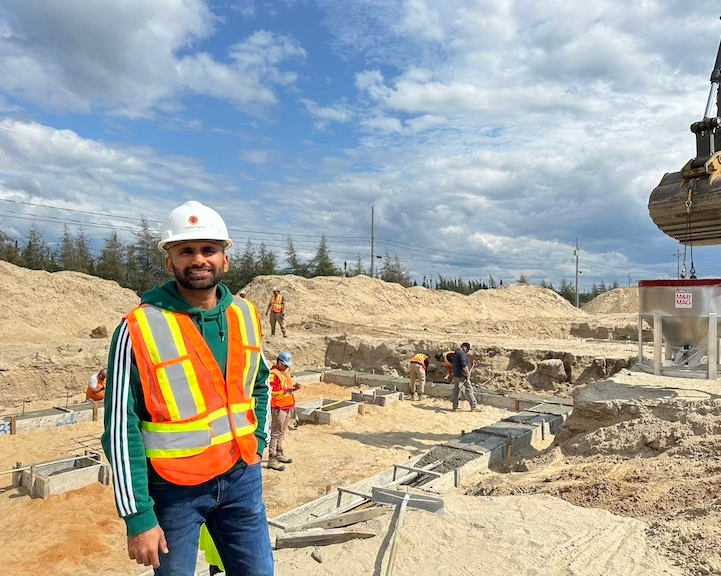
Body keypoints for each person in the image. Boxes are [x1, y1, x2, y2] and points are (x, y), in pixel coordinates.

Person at [101, 200, 274, 576]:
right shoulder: (137, 328)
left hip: (241, 479)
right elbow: (119, 428)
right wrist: (138, 516)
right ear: (170, 262)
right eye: (186, 251)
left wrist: (258, 441)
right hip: (173, 489)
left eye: (208, 249)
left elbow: (261, 383)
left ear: (225, 259)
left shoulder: (245, 314)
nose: (199, 259)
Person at [267, 351, 300, 471]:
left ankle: (279, 452)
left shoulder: (285, 372)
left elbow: (287, 387)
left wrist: (294, 387)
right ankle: (272, 458)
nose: (287, 367)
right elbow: (272, 392)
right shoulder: (273, 374)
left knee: (282, 432)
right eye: (285, 365)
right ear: (280, 362)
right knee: (276, 433)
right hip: (278, 407)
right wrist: (286, 391)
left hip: (288, 406)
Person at [451, 342, 478, 412]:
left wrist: (470, 363)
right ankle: (473, 406)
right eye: (468, 349)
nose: (468, 351)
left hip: (457, 375)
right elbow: (463, 364)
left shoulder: (456, 353)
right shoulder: (462, 354)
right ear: (464, 347)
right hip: (463, 376)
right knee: (469, 389)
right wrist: (467, 372)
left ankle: (455, 406)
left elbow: (462, 362)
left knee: (456, 390)